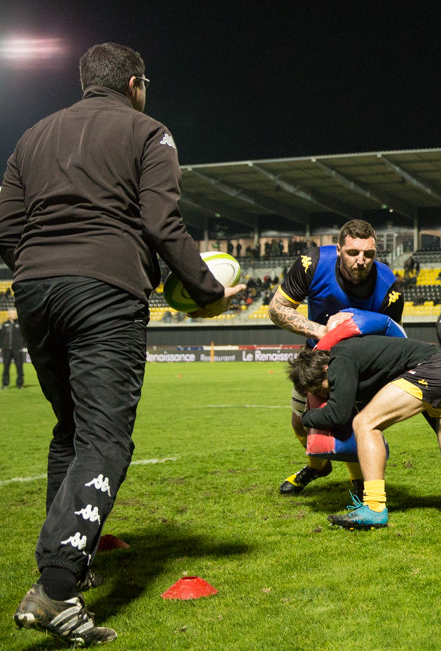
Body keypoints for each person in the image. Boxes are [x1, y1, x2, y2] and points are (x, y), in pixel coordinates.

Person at [0, 43, 244, 645]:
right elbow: (163, 223)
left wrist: (41, 266)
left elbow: (6, 225)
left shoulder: (32, 135)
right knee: (105, 439)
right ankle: (56, 590)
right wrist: (207, 292)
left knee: (72, 430)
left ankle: (64, 563)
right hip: (104, 290)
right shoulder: (149, 132)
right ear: (136, 83)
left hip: (32, 291)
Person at [288, 336, 441, 528]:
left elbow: (338, 414)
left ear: (322, 371)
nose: (324, 396)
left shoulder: (338, 360)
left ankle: (374, 506)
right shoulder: (354, 364)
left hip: (432, 370)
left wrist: (306, 418)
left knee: (365, 423)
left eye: (319, 390)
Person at [269, 219, 406, 497]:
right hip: (316, 359)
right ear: (339, 248)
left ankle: (360, 482)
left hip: (360, 364)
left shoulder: (390, 287)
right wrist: (323, 331)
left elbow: (392, 339)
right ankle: (317, 467)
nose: (361, 261)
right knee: (300, 422)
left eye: (368, 254)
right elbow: (277, 308)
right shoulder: (313, 262)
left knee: (357, 424)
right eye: (353, 253)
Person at [1, 309, 24, 390]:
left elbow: (24, 336)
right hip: (6, 349)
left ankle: (20, 384)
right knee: (6, 367)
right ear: (9, 314)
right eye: (13, 313)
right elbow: (1, 337)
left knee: (19, 367)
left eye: (15, 313)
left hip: (17, 349)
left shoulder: (20, 324)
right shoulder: (4, 324)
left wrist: (22, 345)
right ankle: (5, 384)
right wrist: (2, 346)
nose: (15, 314)